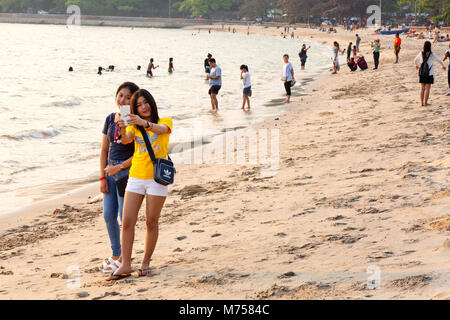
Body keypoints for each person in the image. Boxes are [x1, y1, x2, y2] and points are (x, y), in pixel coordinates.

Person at [110, 89, 173, 281]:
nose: (143, 107)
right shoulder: (134, 127)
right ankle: (126, 264)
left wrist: (144, 123)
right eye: (138, 105)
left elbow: (160, 130)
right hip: (136, 177)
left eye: (146, 103)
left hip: (156, 178)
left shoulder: (165, 122)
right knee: (127, 221)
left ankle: (145, 262)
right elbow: (126, 139)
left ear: (152, 104)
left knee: (151, 221)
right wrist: (121, 125)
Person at [100, 82, 139, 274]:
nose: (122, 100)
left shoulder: (133, 121)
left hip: (126, 173)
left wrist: (119, 167)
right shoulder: (108, 118)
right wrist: (101, 176)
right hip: (108, 173)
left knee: (125, 219)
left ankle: (125, 257)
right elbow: (104, 150)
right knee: (108, 215)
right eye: (120, 95)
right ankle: (116, 254)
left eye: (127, 97)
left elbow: (138, 153)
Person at [414, 41, 446, 107]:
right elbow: (439, 60)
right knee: (427, 88)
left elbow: (415, 60)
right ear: (430, 47)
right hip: (429, 73)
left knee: (422, 88)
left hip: (422, 72)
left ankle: (421, 103)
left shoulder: (421, 53)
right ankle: (425, 103)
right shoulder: (432, 54)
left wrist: (417, 65)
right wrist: (443, 66)